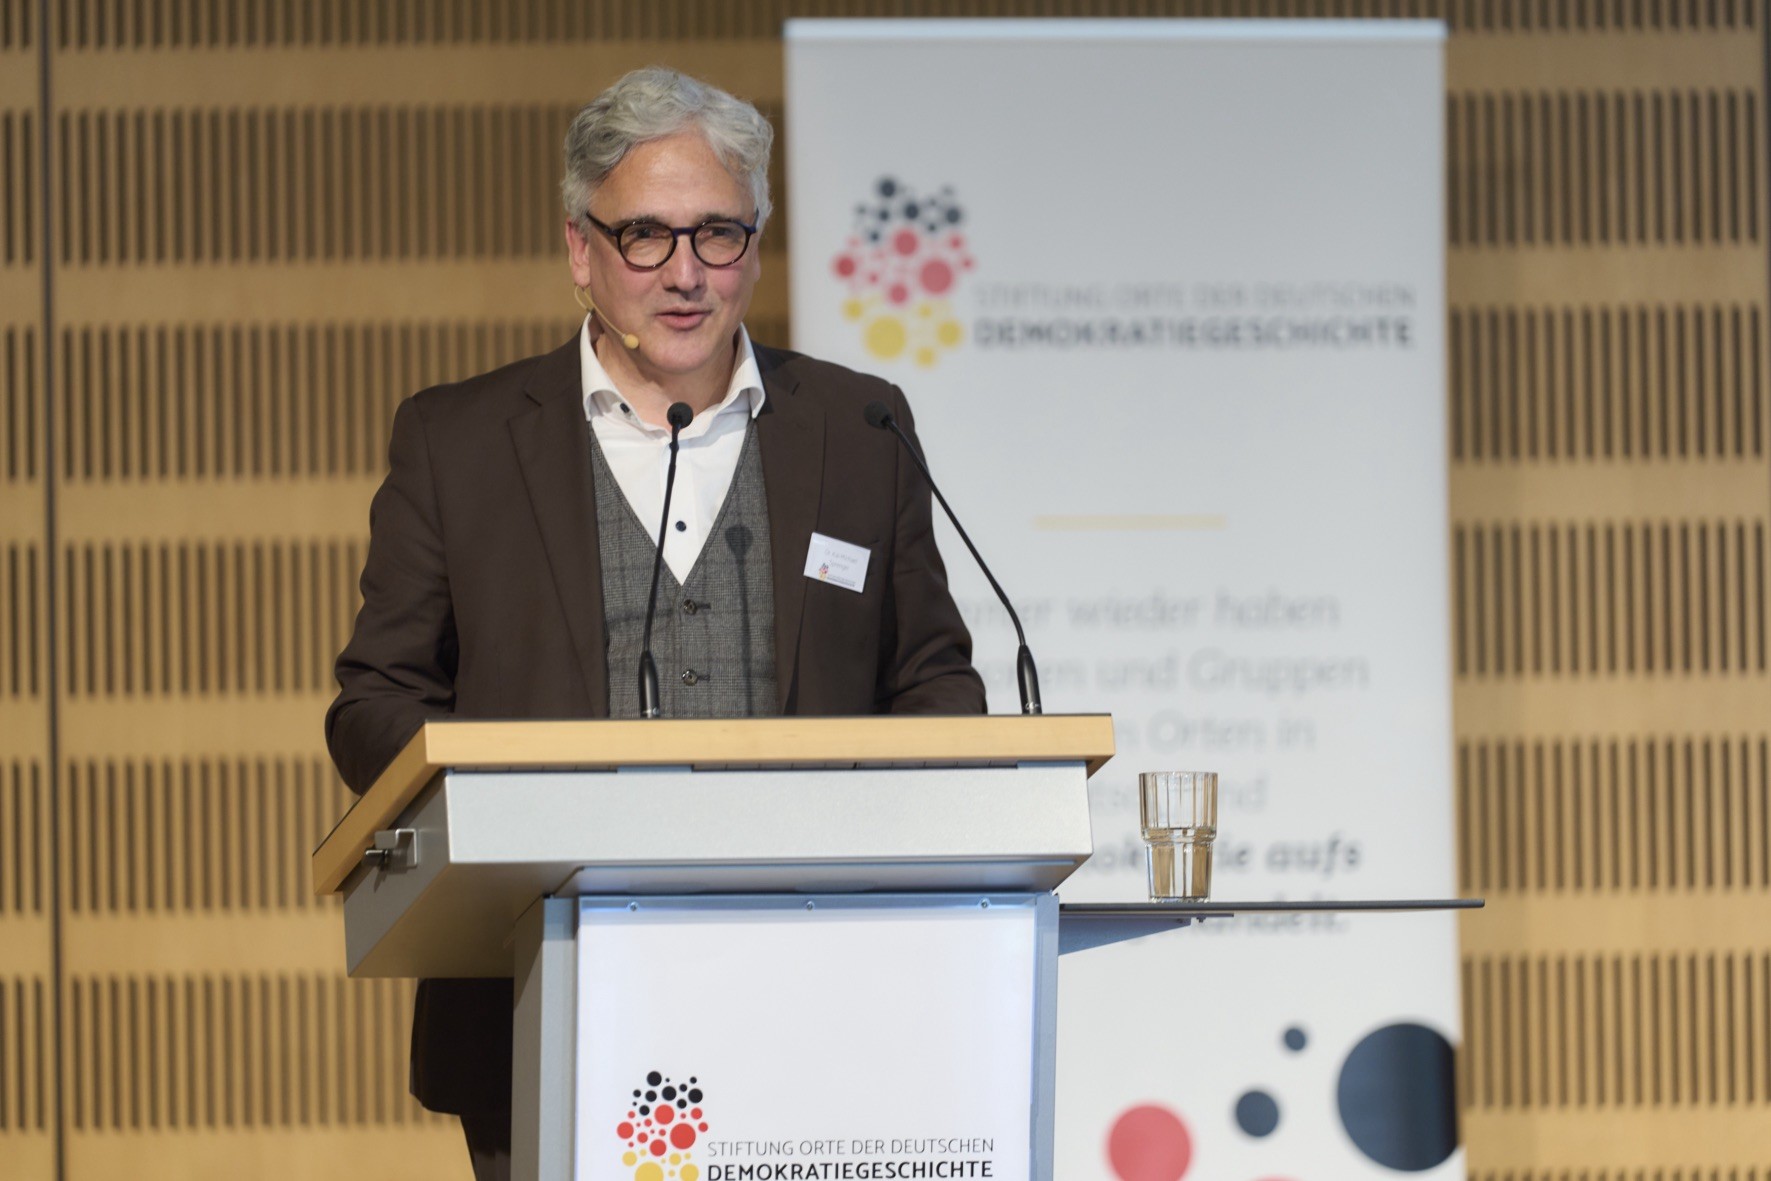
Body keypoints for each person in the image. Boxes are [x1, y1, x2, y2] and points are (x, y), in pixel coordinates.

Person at [324, 66, 985, 1180]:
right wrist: (497, 813)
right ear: (582, 252)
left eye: (716, 234)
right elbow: (376, 702)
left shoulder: (861, 425)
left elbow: (931, 679)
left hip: (826, 996)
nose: (684, 273)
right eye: (645, 237)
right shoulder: (461, 440)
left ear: (757, 249)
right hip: (541, 986)